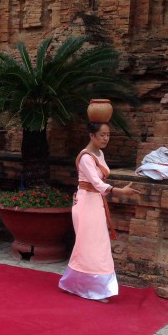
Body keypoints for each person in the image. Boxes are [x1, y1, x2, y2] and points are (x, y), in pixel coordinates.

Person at [58, 122, 140, 302]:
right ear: (91, 136)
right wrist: (121, 191)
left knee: (97, 245)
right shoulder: (85, 157)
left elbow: (100, 185)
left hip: (96, 202)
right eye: (102, 135)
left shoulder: (100, 154)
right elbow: (97, 184)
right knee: (90, 246)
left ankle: (80, 284)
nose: (105, 138)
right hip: (87, 201)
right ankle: (94, 288)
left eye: (108, 135)